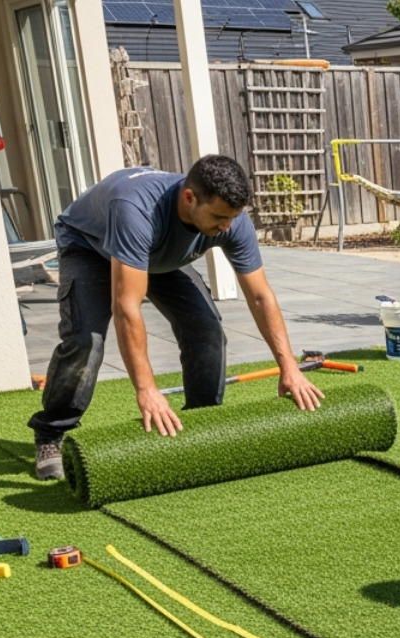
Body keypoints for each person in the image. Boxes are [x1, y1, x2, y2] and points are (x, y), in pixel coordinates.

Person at [29, 155, 323, 479]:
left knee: (206, 329)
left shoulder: (231, 220)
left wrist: (289, 368)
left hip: (157, 254)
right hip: (90, 246)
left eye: (232, 218)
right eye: (219, 217)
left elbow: (260, 295)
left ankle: (202, 424)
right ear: (189, 198)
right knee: (87, 341)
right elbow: (127, 306)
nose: (226, 227)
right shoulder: (136, 209)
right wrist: (147, 390)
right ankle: (51, 434)